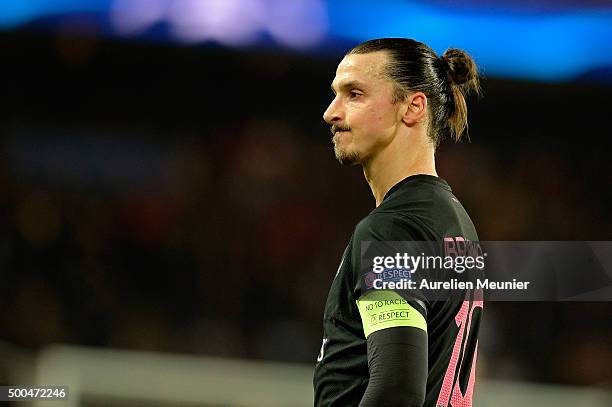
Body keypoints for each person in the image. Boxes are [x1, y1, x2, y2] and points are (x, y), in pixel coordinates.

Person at [313, 38, 483, 406]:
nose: (331, 112)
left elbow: (397, 391)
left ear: (413, 107)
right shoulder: (453, 221)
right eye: (335, 94)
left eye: (354, 94)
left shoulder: (392, 229)